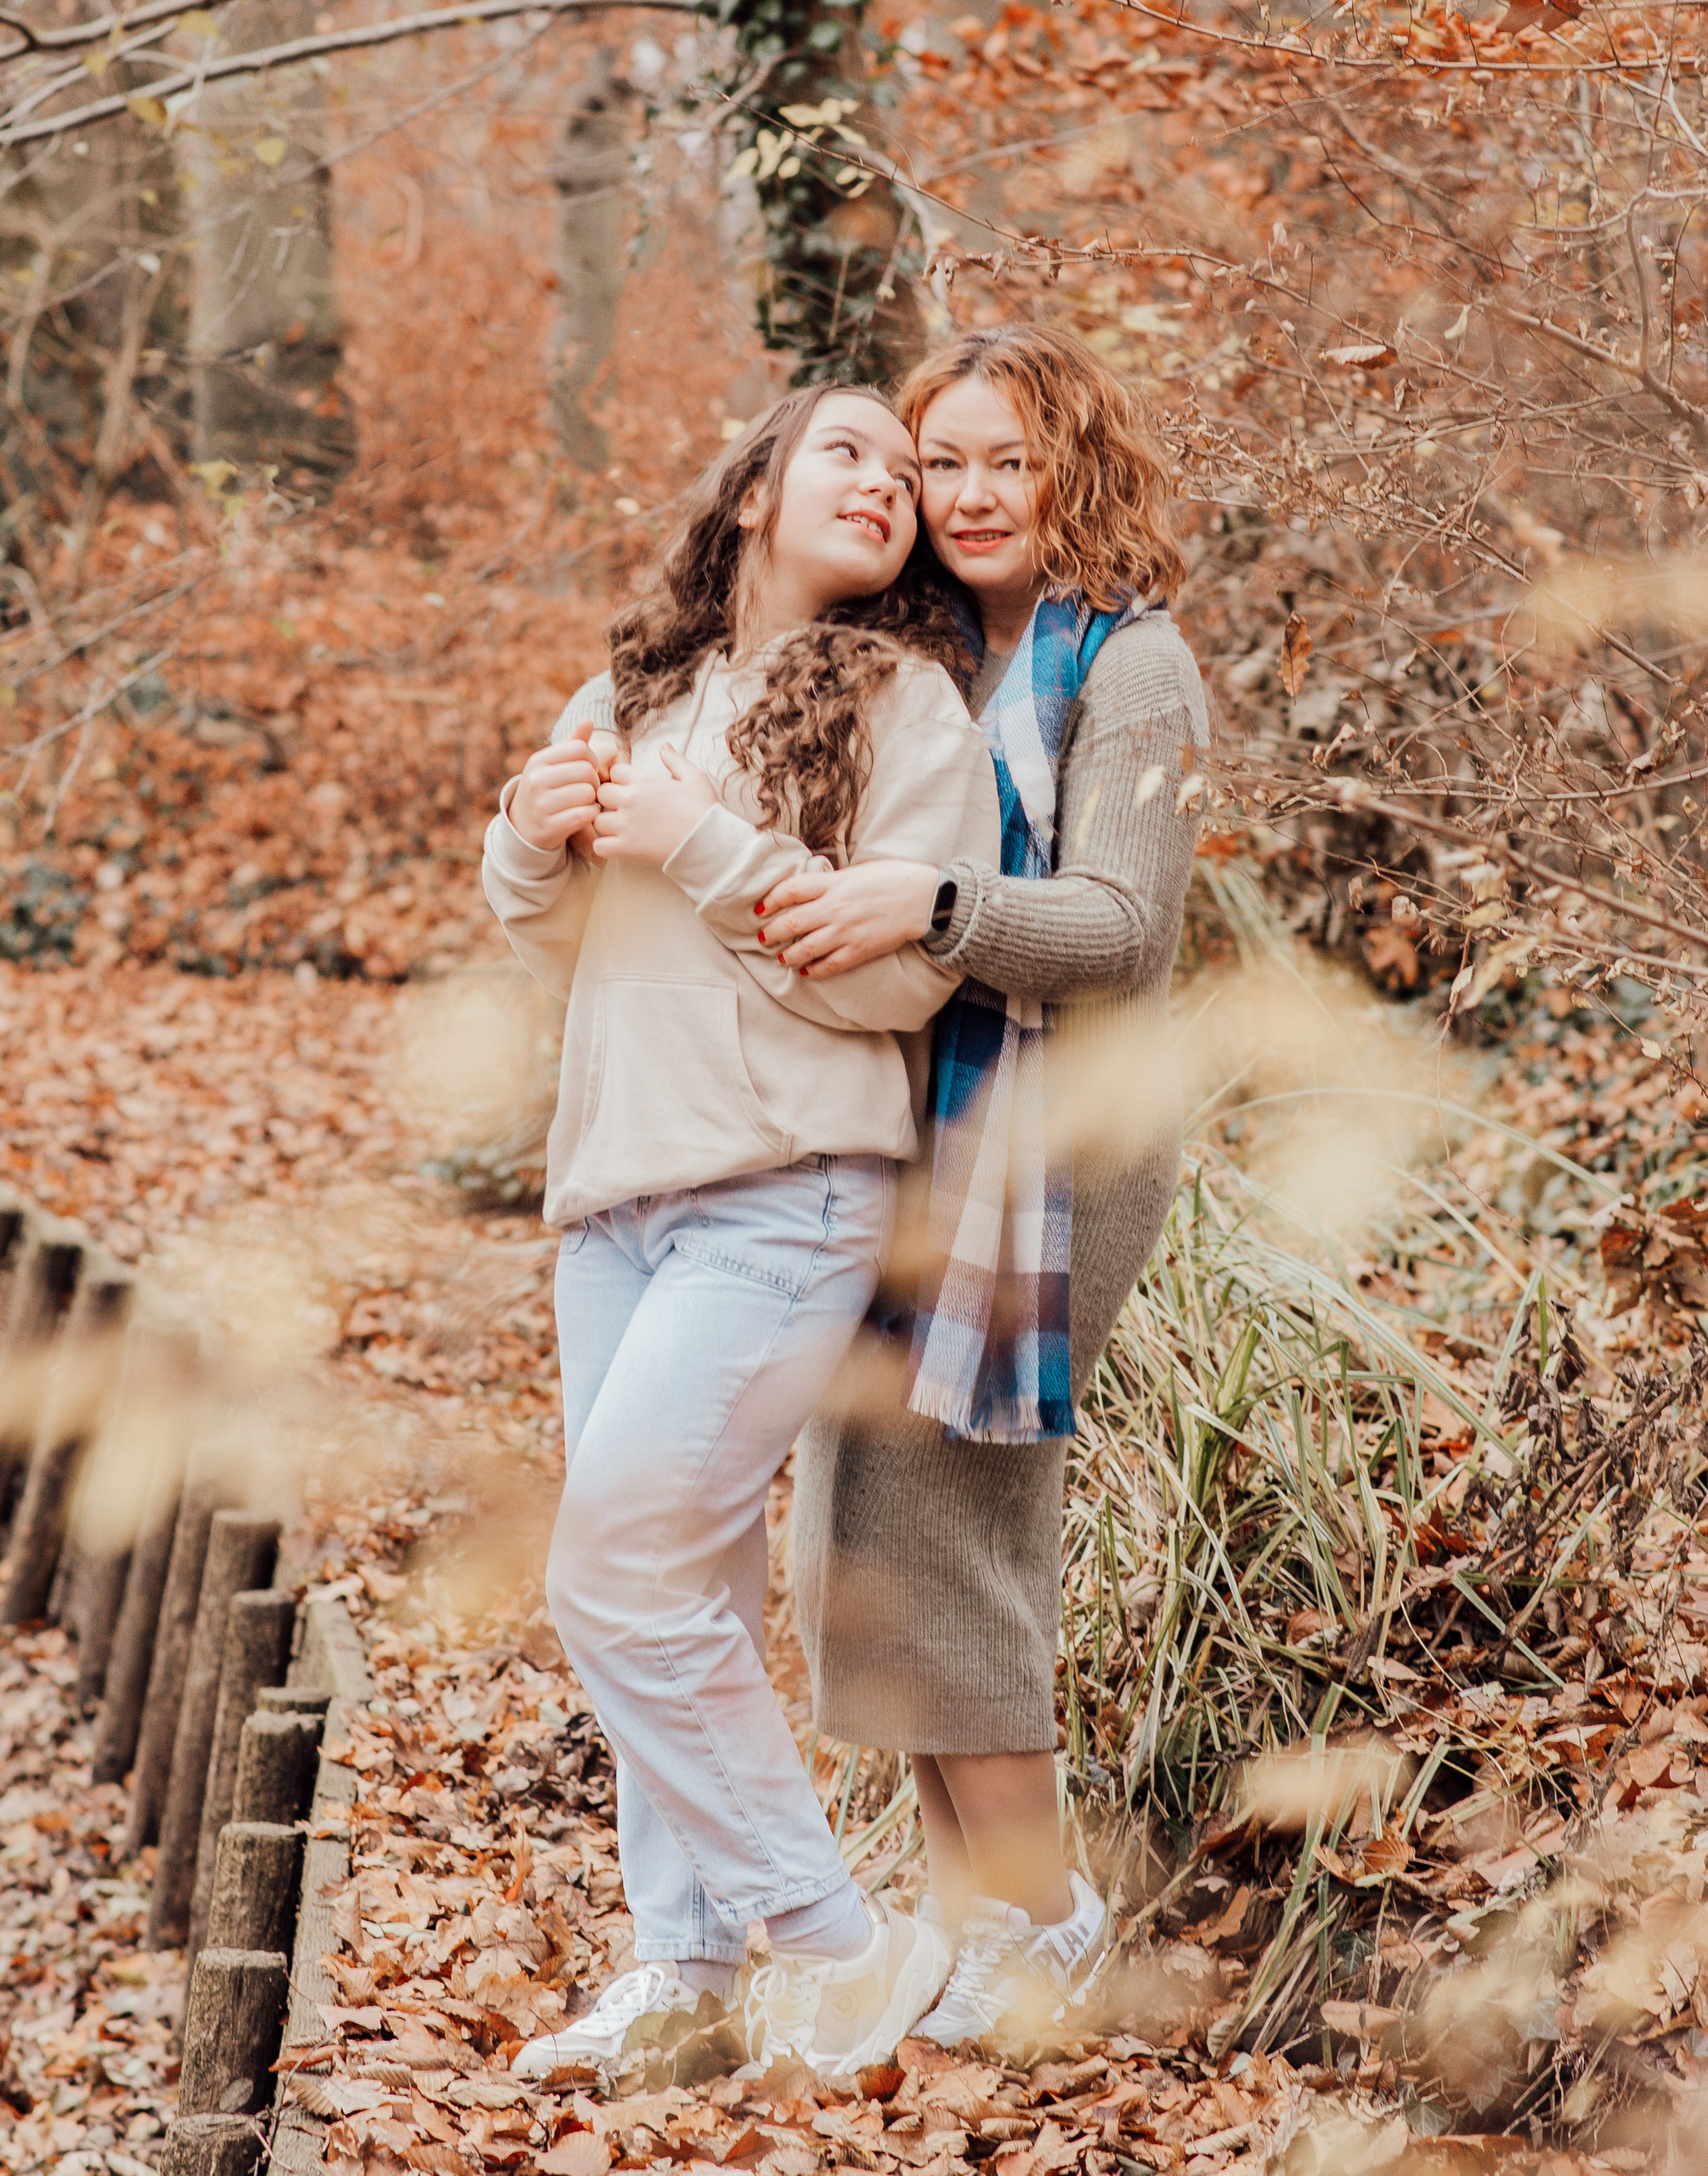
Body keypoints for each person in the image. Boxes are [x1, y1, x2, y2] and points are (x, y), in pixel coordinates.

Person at [482, 382, 996, 2080]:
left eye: (908, 474)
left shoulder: (906, 706)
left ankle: (838, 1944)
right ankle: (684, 1972)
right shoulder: (634, 690)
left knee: (613, 1568)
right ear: (757, 488)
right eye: (847, 448)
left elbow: (901, 975)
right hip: (610, 1203)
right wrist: (532, 836)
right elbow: (562, 941)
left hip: (786, 1189)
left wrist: (695, 840)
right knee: (675, 1580)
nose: (887, 481)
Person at [762, 326, 1207, 2044]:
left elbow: (1120, 926)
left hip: (1059, 1135)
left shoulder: (1131, 662)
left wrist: (929, 910)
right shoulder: (920, 648)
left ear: (1068, 464)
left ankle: (1048, 1917)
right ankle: (969, 1916)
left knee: (958, 1520)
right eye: (938, 462)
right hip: (923, 1115)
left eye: (999, 460)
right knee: (872, 1515)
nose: (962, 495)